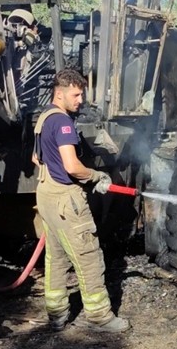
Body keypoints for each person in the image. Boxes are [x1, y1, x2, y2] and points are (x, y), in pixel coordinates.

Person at [32, 67, 130, 333]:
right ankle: (99, 316)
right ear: (60, 93)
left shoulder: (43, 118)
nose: (80, 101)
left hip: (46, 196)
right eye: (75, 95)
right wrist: (97, 176)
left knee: (55, 257)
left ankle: (57, 313)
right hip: (66, 199)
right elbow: (72, 166)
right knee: (88, 256)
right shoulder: (63, 122)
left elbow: (35, 159)